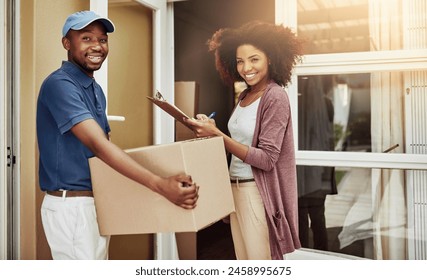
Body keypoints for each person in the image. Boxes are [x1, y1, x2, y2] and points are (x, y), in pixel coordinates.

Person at [36, 10, 199, 260]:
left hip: (94, 202)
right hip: (73, 207)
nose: (97, 46)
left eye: (102, 40)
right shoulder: (60, 85)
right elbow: (98, 145)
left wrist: (162, 177)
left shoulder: (95, 89)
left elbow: (105, 150)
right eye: (87, 38)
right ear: (67, 44)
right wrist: (158, 184)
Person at [184, 20, 303, 260]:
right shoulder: (245, 95)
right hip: (235, 187)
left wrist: (217, 136)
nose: (245, 67)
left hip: (256, 193)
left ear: (271, 58)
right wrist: (214, 130)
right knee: (243, 261)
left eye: (254, 59)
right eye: (239, 61)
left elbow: (267, 159)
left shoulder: (275, 97)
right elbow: (240, 142)